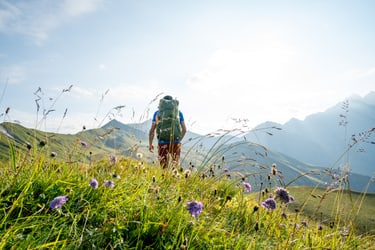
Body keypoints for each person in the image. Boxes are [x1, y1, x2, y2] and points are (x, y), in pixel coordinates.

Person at [149, 95, 187, 168]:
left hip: (162, 142)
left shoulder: (157, 113)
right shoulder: (178, 113)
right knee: (175, 167)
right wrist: (178, 140)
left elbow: (152, 131)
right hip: (175, 142)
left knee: (164, 168)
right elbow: (184, 130)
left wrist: (150, 144)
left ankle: (164, 179)